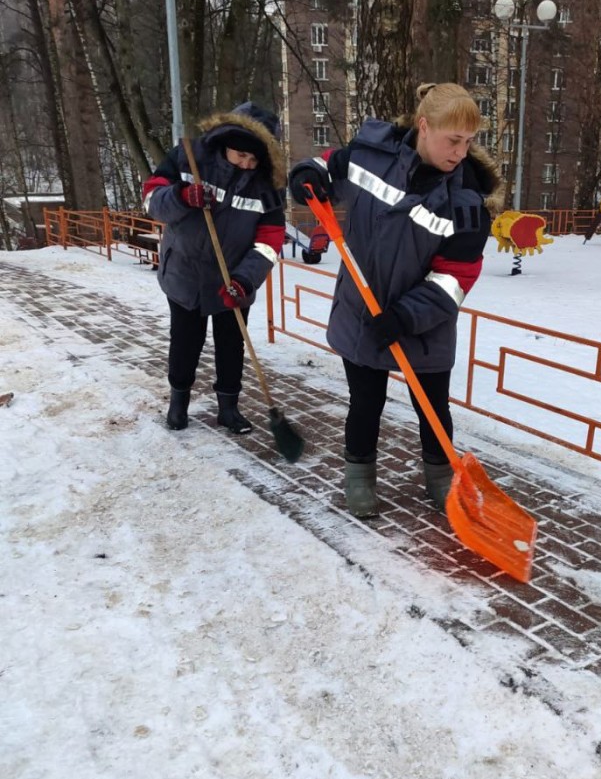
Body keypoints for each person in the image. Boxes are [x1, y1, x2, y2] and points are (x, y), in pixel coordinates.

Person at [288, 82, 500, 517]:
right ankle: (359, 476)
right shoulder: (370, 158)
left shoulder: (467, 203)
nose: (460, 152)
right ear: (424, 127)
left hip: (425, 323)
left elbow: (456, 278)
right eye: (453, 140)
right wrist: (307, 175)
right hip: (361, 310)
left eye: (468, 142)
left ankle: (440, 476)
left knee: (433, 407)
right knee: (366, 403)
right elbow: (325, 165)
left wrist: (405, 316)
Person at [142, 101, 286, 433]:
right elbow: (151, 200)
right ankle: (178, 402)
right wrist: (181, 197)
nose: (247, 165)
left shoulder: (268, 185)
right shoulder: (188, 158)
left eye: (254, 160)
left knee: (231, 345)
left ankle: (228, 408)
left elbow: (270, 240)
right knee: (185, 341)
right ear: (225, 143)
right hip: (186, 273)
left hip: (232, 278)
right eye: (240, 156)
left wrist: (245, 281)